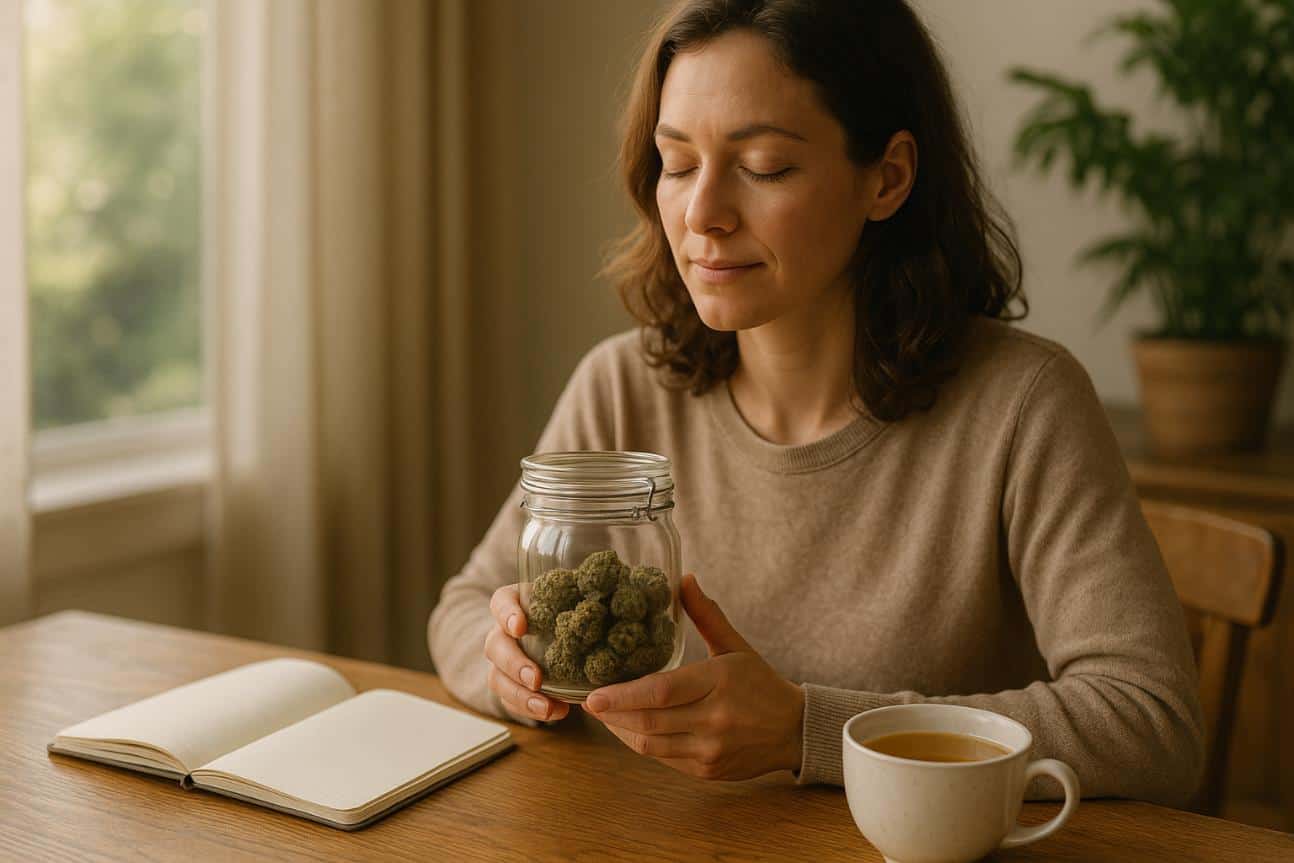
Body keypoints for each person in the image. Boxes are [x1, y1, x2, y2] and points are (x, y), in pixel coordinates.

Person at [428, 0, 1204, 806]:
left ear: (888, 177)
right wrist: (516, 670)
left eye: (763, 166)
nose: (702, 216)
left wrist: (808, 729)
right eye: (678, 163)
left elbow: (1152, 723)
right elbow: (461, 610)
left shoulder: (1023, 406)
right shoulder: (623, 387)